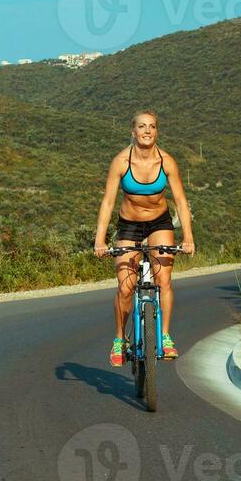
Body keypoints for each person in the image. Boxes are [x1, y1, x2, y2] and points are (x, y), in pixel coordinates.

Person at [93, 110, 195, 366]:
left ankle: (165, 336)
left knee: (164, 280)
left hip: (159, 223)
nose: (147, 131)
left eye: (151, 126)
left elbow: (181, 202)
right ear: (133, 131)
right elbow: (107, 203)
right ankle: (119, 339)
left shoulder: (167, 162)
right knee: (126, 288)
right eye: (142, 126)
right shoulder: (121, 162)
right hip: (128, 225)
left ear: (156, 131)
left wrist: (188, 237)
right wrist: (100, 240)